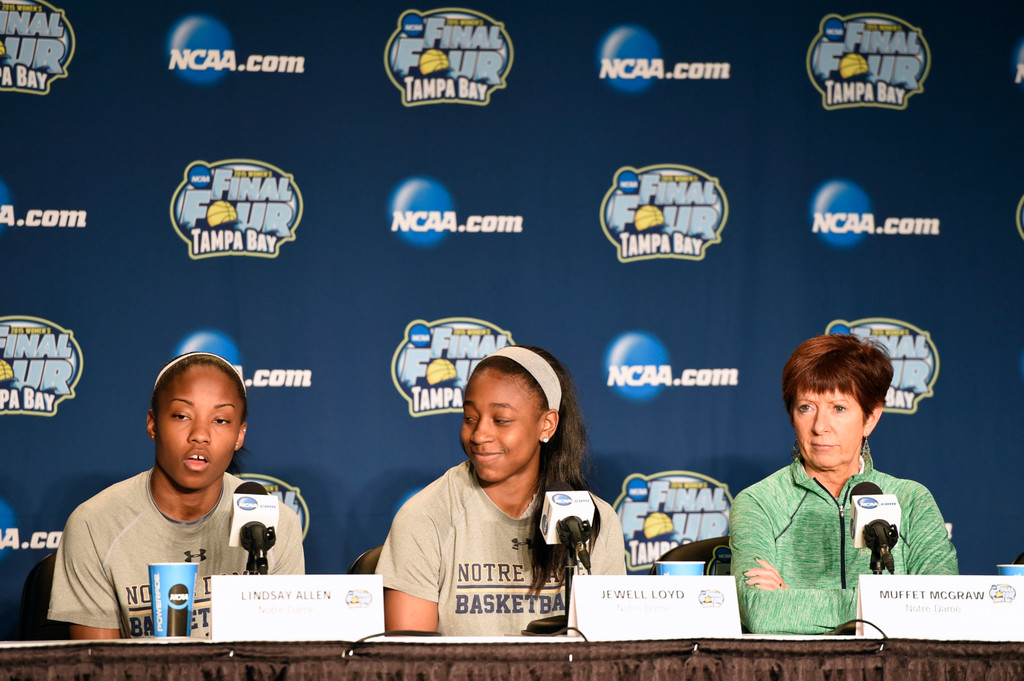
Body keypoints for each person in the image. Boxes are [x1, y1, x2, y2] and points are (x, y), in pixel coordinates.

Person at [48, 352, 305, 639]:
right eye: (182, 416)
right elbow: (97, 667)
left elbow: (283, 658)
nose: (200, 434)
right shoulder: (95, 524)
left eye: (220, 420)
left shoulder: (275, 523)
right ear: (153, 424)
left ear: (239, 435)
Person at [377, 345, 626, 635]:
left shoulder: (594, 520)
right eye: (470, 418)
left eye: (501, 420)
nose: (480, 434)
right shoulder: (425, 516)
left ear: (547, 425)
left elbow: (612, 649)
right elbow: (411, 661)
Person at [729, 334, 958, 634]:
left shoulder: (912, 500)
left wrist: (791, 601)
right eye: (806, 407)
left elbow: (943, 606)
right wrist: (894, 601)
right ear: (791, 416)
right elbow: (760, 611)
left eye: (838, 408)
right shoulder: (758, 502)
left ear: (870, 418)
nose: (820, 426)